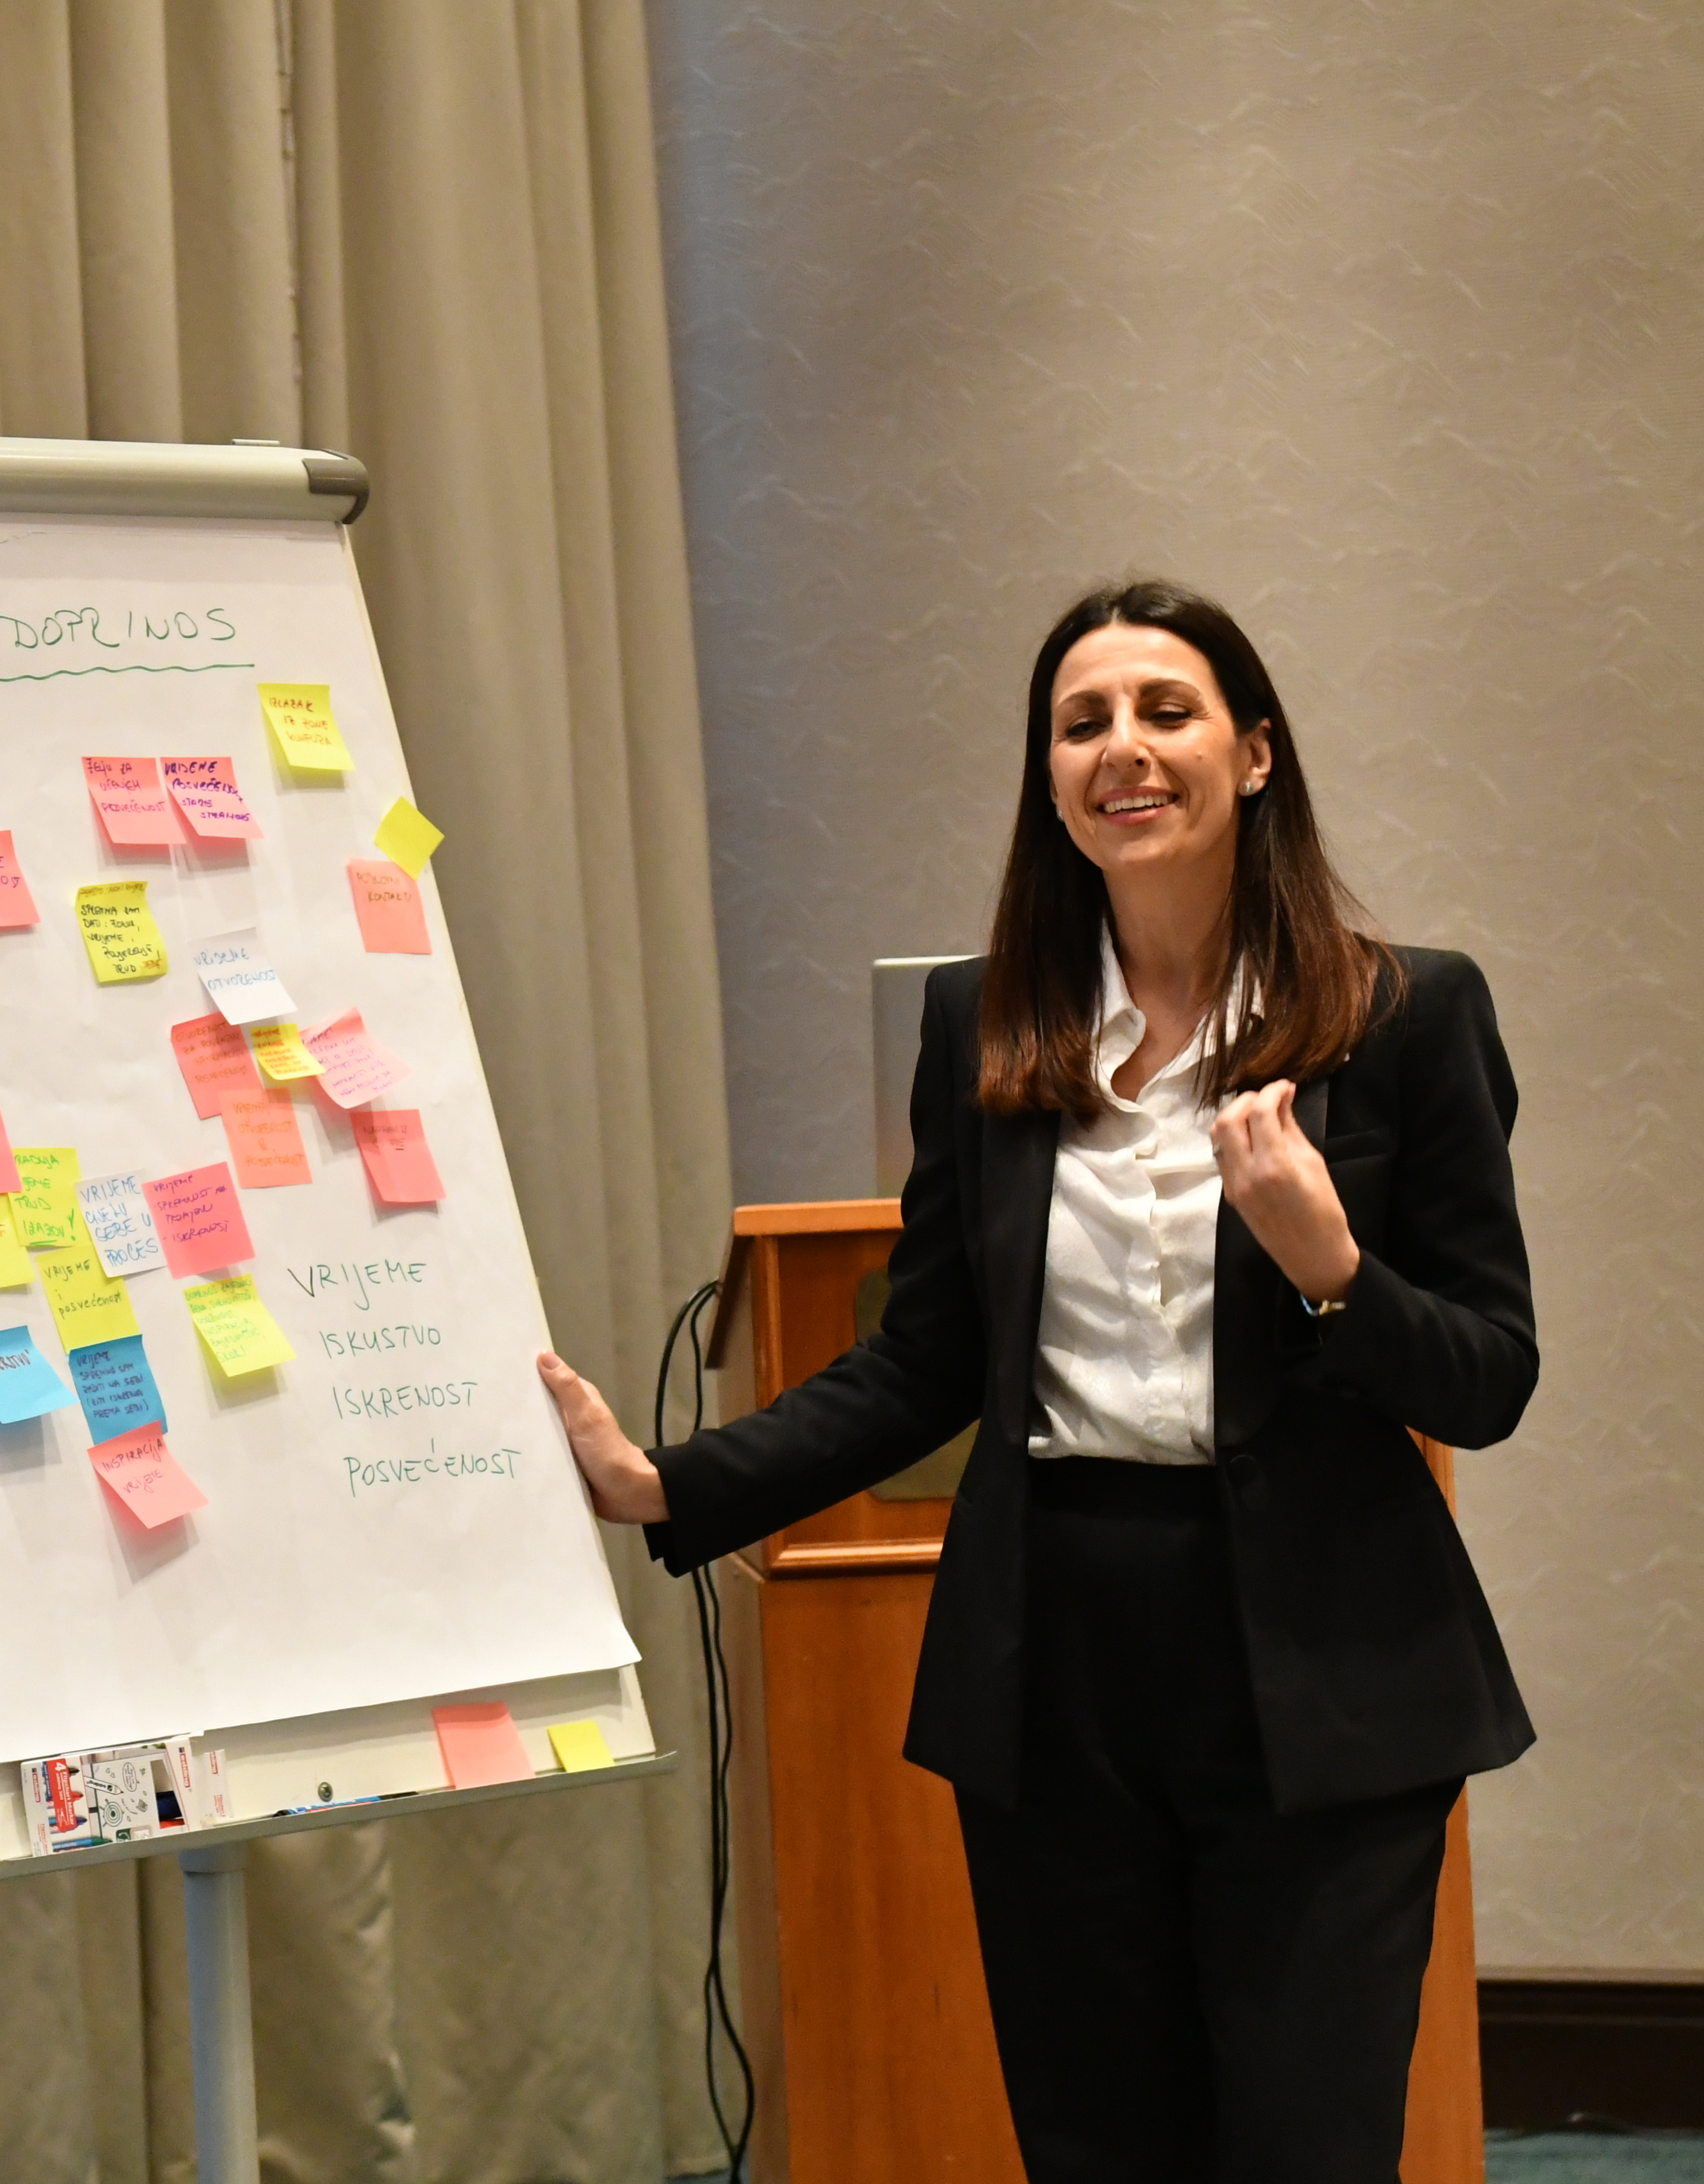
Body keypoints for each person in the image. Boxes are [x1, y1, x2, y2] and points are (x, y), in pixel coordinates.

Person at [539, 578, 1536, 2183]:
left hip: (1323, 1660)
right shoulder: (985, 1023)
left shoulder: (1404, 1015)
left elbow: (1489, 1375)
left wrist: (1333, 1269)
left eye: (1165, 711)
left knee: (1308, 2144)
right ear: (1051, 778)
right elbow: (925, 1358)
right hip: (1055, 1656)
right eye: (1082, 724)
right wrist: (674, 1485)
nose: (1121, 748)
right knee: (1098, 2146)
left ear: (1255, 754)